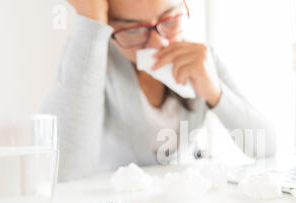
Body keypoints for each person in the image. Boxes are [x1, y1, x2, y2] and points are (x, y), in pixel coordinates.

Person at [42, 0, 276, 181]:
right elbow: (65, 172)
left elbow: (266, 148)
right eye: (133, 30)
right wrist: (91, 26)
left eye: (169, 21)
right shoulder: (90, 60)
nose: (157, 44)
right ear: (109, 26)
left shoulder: (201, 59)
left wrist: (216, 94)